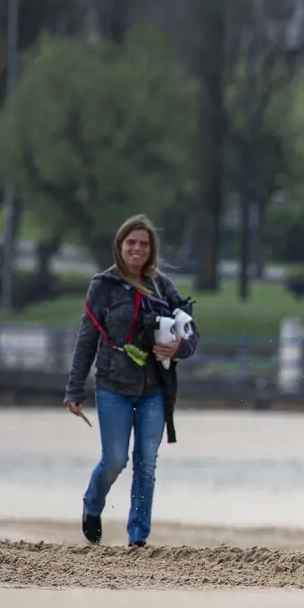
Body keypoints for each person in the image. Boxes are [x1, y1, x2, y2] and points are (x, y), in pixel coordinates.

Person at [64, 214, 199, 547]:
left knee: (146, 464)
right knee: (115, 461)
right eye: (131, 243)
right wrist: (75, 388)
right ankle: (92, 505)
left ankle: (138, 537)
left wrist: (179, 347)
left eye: (143, 243)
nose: (137, 249)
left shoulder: (162, 287)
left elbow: (191, 332)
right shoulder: (103, 286)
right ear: (120, 246)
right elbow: (86, 339)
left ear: (151, 249)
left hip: (154, 389)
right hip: (113, 386)